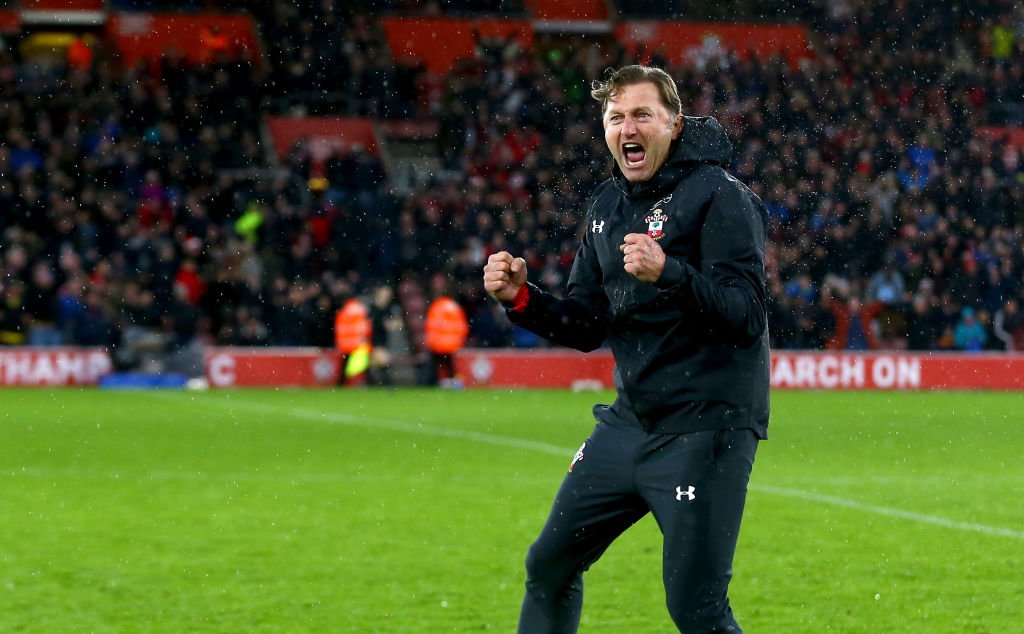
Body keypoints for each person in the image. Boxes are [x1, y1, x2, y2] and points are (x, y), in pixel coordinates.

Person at [483, 65, 770, 633]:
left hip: (704, 428)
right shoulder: (606, 207)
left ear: (674, 124)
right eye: (616, 117)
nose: (627, 128)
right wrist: (522, 299)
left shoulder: (721, 196)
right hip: (629, 423)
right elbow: (587, 323)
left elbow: (746, 316)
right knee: (549, 566)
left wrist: (671, 273)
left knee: (696, 608)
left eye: (642, 114)